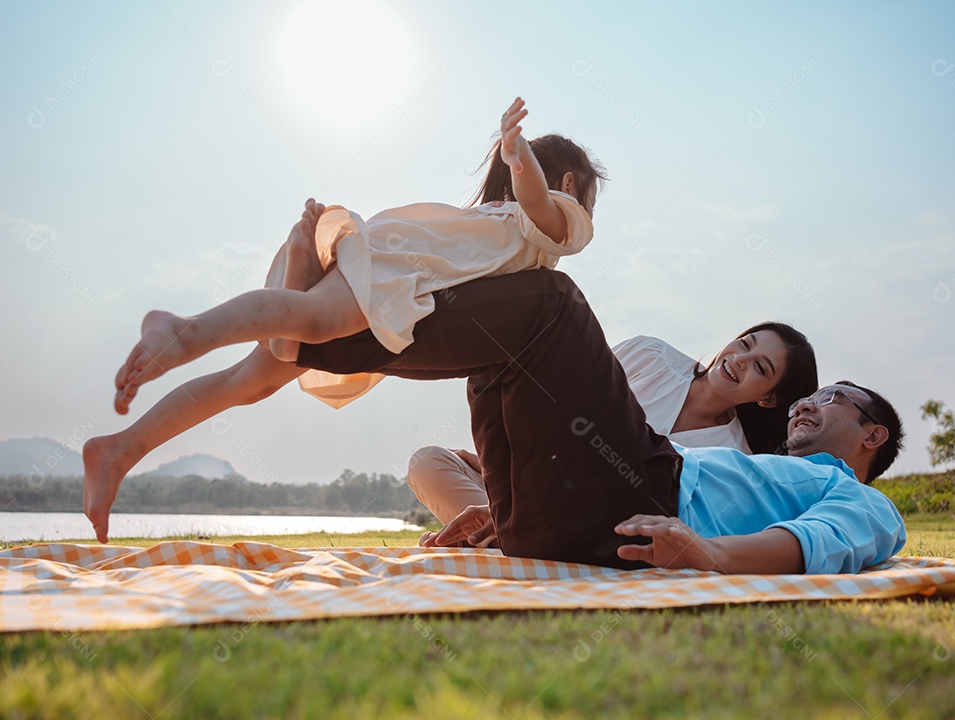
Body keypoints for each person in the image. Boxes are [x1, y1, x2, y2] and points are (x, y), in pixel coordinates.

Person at [83, 98, 605, 543]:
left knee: (252, 380)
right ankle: (185, 329)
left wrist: (515, 161)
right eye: (588, 199)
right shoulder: (552, 218)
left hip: (387, 251)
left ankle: (120, 450)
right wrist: (520, 162)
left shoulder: (493, 221)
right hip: (396, 271)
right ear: (568, 184)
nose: (584, 216)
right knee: (311, 322)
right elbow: (541, 204)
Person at [289, 268, 907, 573]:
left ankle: (311, 337)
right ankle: (321, 324)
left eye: (830, 398)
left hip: (649, 499)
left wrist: (708, 555)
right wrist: (511, 509)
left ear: (871, 434)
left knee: (553, 303)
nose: (808, 402)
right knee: (499, 359)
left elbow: (815, 543)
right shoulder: (764, 465)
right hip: (587, 513)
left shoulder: (860, 499)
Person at [409, 327, 819, 546]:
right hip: (539, 475)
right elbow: (560, 406)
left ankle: (495, 533)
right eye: (744, 343)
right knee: (429, 461)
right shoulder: (650, 356)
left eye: (760, 368)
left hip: (590, 521)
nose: (739, 359)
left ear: (768, 400)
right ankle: (497, 532)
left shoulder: (732, 455)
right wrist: (502, 466)